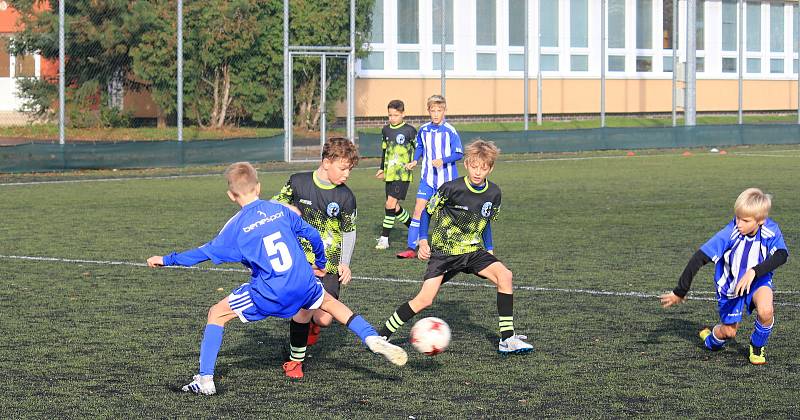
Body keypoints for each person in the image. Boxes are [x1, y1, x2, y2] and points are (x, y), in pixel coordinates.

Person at [146, 162, 406, 394]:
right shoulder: (280, 211)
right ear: (258, 187)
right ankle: (371, 336)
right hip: (302, 281)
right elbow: (314, 236)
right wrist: (321, 264)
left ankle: (204, 380)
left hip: (270, 291)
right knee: (332, 305)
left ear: (231, 195)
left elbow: (200, 254)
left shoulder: (234, 229)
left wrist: (166, 259)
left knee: (217, 314)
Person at [379, 140, 533, 354]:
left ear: (491, 168)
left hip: (472, 251)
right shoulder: (451, 188)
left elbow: (486, 221)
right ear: (467, 164)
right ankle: (382, 335)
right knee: (424, 300)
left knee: (505, 276)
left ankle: (507, 339)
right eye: (474, 166)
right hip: (445, 253)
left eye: (484, 168)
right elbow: (426, 212)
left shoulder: (494, 193)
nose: (478, 172)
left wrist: (489, 249)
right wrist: (423, 240)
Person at [660, 188, 789, 365]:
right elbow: (699, 258)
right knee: (729, 332)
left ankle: (757, 346)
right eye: (737, 217)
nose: (739, 223)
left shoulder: (770, 230)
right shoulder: (730, 233)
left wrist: (754, 271)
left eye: (745, 220)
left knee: (766, 310)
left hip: (758, 280)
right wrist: (680, 291)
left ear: (760, 221)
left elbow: (781, 255)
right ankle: (710, 340)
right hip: (731, 286)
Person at [272, 137, 358, 357]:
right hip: (301, 261)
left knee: (324, 318)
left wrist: (345, 263)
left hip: (329, 263)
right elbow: (274, 204)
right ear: (326, 162)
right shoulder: (298, 182)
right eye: (343, 168)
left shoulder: (346, 196)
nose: (346, 175)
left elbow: (349, 231)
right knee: (303, 310)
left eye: (349, 170)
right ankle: (295, 359)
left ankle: (312, 325)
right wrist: (287, 207)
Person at [396, 94, 463, 259]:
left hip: (446, 182)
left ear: (444, 111)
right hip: (427, 179)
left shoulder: (450, 131)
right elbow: (420, 147)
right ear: (428, 111)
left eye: (439, 110)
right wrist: (414, 160)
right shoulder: (424, 129)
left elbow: (459, 154)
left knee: (447, 214)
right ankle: (412, 247)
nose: (435, 114)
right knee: (418, 210)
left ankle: (451, 245)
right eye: (433, 110)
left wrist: (443, 160)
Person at [375, 99, 417, 250]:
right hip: (390, 174)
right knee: (395, 207)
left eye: (395, 115)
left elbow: (419, 149)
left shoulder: (410, 130)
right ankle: (415, 230)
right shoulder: (385, 130)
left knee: (389, 204)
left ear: (403, 114)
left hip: (402, 174)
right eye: (390, 115)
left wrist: (415, 161)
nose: (392, 118)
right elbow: (385, 151)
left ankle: (384, 238)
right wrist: (381, 168)